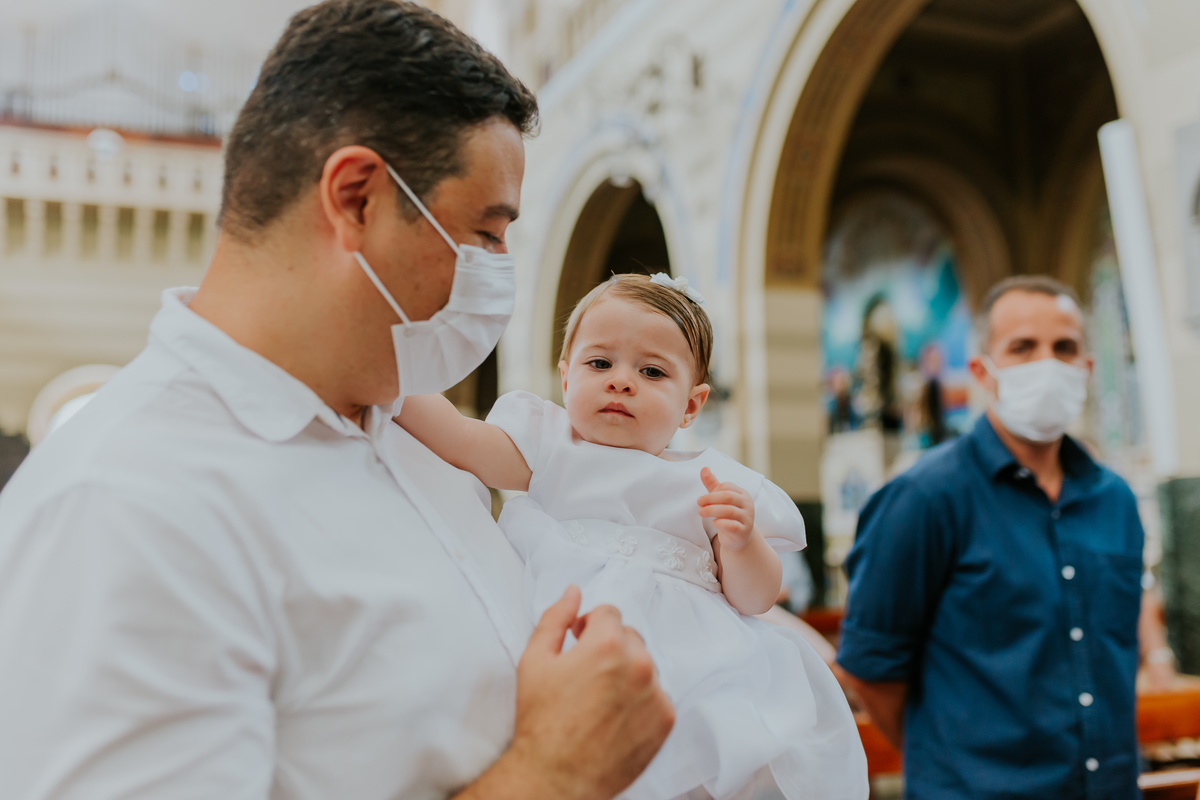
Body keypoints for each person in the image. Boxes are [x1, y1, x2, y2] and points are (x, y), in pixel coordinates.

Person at [0, 3, 676, 799]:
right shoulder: (124, 509)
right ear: (357, 198)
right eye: (487, 234)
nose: (500, 267)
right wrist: (555, 775)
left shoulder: (403, 430)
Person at [397, 273, 867, 800]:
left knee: (700, 765)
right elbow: (459, 438)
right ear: (566, 376)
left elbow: (754, 599)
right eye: (600, 363)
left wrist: (742, 541)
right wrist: (389, 377)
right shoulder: (549, 448)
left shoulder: (709, 482)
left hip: (691, 667)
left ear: (691, 405)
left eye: (652, 371)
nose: (621, 381)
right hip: (566, 646)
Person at [837, 275, 1145, 799]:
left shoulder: (1114, 499)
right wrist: (955, 766)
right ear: (983, 371)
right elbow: (870, 668)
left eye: (1064, 348)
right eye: (1022, 347)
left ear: (1087, 369)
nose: (1047, 364)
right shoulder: (923, 497)